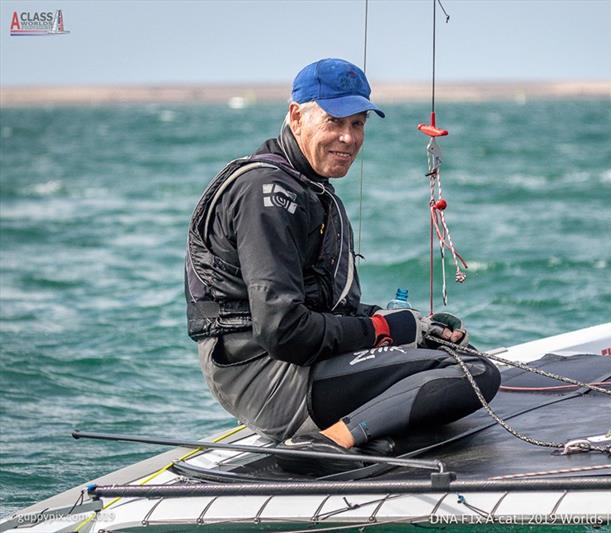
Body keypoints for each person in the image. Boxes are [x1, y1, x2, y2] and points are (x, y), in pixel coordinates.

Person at [185, 58, 500, 476]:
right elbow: (284, 330)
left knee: (449, 353)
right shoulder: (267, 194)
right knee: (474, 374)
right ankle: (326, 442)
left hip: (292, 366)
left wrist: (409, 325)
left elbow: (320, 309)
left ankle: (361, 430)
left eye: (358, 124)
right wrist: (384, 332)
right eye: (334, 121)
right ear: (297, 116)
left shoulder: (305, 185)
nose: (348, 138)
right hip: (268, 377)